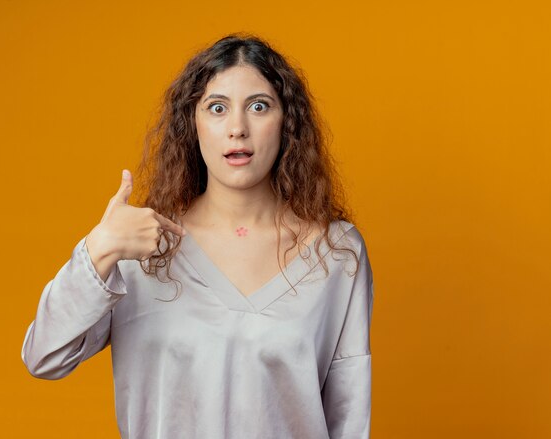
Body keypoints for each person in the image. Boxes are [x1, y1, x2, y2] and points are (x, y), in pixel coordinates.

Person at [21, 33, 374, 439]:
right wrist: (100, 248)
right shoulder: (140, 246)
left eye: (258, 107)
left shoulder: (338, 252)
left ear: (287, 123)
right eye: (217, 108)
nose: (237, 128)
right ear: (193, 123)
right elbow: (44, 357)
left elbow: (349, 414)